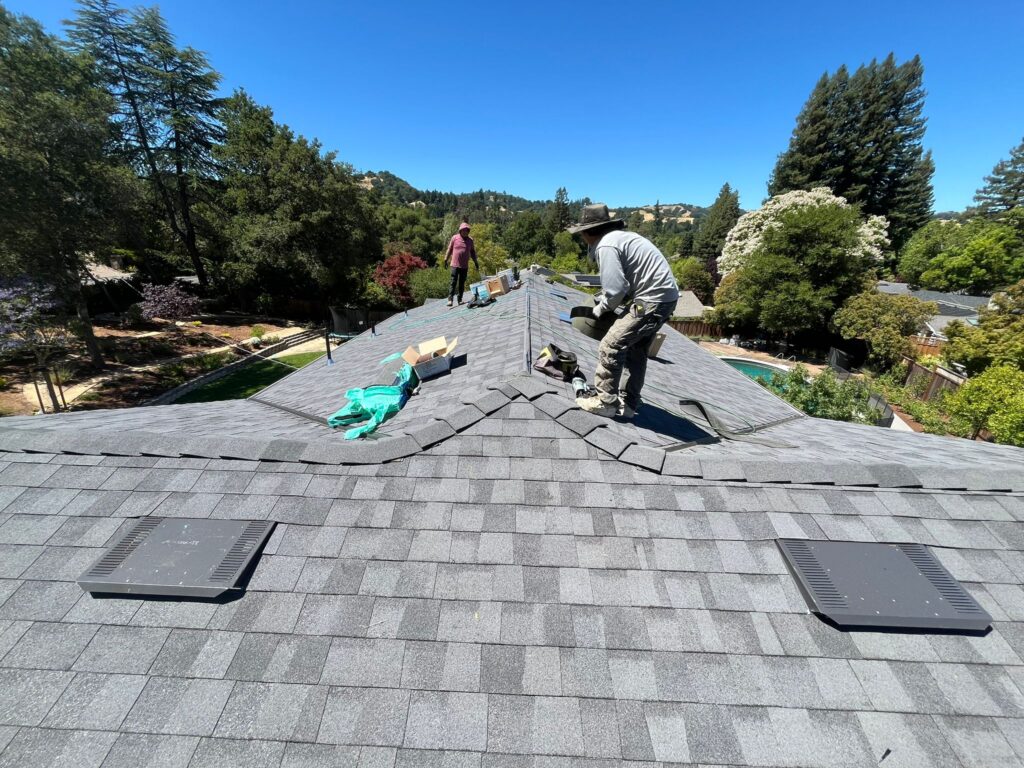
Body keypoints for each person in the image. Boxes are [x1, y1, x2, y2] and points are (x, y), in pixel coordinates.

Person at [567, 204, 679, 418]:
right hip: (664, 299)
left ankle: (606, 402)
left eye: (581, 233)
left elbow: (616, 290)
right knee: (636, 351)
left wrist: (600, 308)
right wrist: (608, 298)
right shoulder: (621, 238)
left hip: (651, 301)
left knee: (611, 345)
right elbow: (625, 283)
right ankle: (628, 405)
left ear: (587, 232)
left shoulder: (606, 246)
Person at [444, 221, 479, 307]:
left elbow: (473, 252)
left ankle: (460, 299)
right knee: (453, 281)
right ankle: (450, 300)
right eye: (463, 230)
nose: (465, 232)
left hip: (464, 266)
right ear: (460, 231)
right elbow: (449, 249)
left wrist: (476, 262)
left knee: (462, 283)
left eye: (466, 230)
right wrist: (445, 259)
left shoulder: (470, 240)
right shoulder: (455, 238)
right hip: (455, 265)